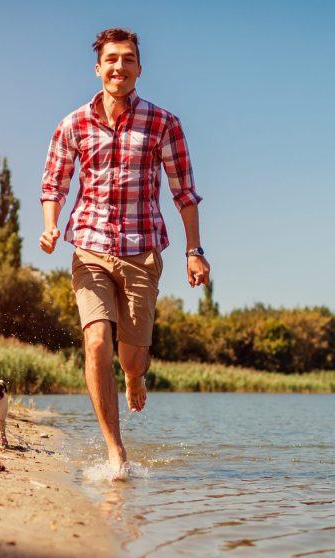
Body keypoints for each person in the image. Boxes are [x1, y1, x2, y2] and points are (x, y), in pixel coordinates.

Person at [38, 28, 210, 479]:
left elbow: (185, 193)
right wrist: (51, 225)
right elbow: (53, 182)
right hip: (90, 247)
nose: (119, 67)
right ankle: (115, 449)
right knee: (96, 340)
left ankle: (134, 375)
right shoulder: (72, 124)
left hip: (142, 251)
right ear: (98, 68)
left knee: (132, 356)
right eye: (111, 59)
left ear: (139, 68)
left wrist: (195, 251)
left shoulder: (163, 124)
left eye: (128, 59)